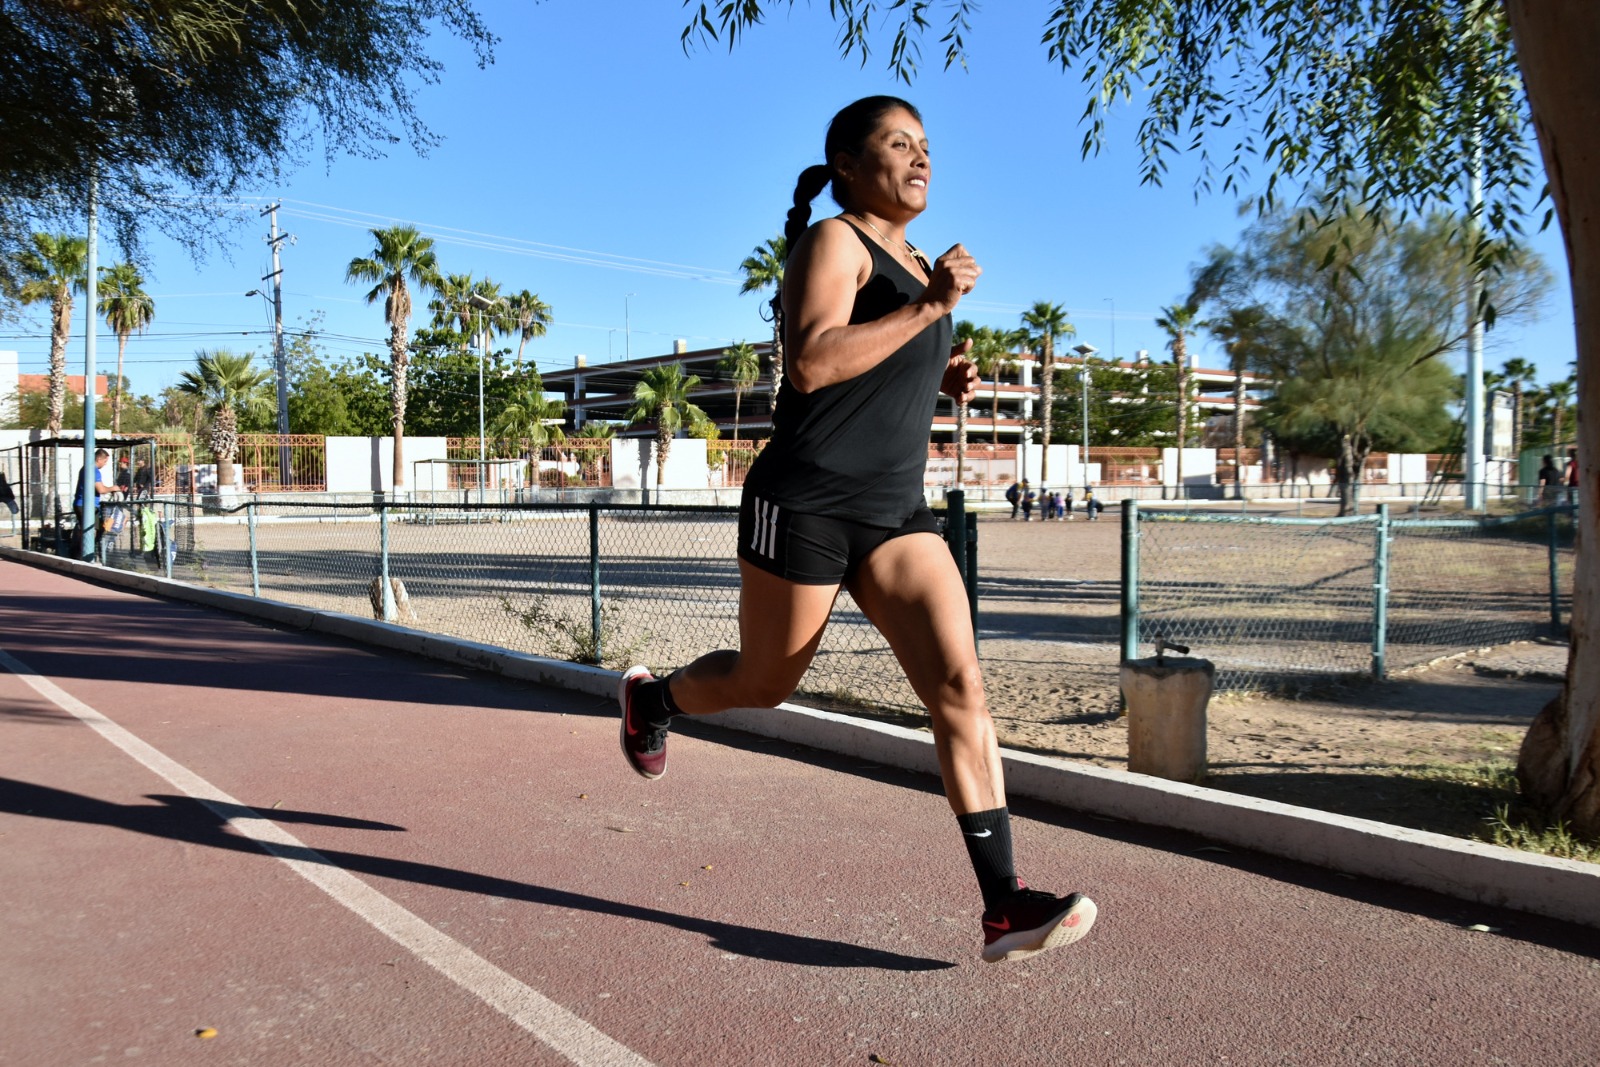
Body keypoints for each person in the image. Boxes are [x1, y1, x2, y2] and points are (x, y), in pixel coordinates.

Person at [616, 95, 1095, 963]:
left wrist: (939, 370)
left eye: (926, 147)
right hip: (803, 502)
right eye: (899, 145)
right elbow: (810, 361)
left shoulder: (913, 264)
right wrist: (924, 314)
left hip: (893, 513)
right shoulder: (835, 241)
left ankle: (1005, 904)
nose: (921, 160)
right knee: (765, 681)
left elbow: (872, 363)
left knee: (960, 686)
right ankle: (653, 701)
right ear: (846, 164)